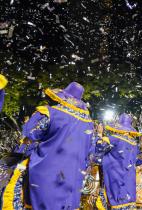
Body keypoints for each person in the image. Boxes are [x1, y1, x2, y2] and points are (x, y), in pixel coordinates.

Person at [3, 82, 94, 210]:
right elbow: (91, 153)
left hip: (46, 173)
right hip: (72, 178)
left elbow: (29, 135)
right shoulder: (89, 123)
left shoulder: (49, 113)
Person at [97, 113, 141, 210]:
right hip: (129, 179)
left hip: (115, 177)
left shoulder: (114, 139)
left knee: (115, 201)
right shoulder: (134, 142)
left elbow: (99, 149)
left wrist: (99, 135)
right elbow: (138, 160)